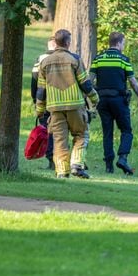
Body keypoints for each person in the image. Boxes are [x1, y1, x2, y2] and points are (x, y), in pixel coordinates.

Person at [35, 29, 99, 178]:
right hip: (75, 106)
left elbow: (41, 90)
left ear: (55, 42)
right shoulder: (74, 59)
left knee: (59, 140)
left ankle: (62, 172)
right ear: (68, 43)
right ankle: (77, 165)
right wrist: (95, 99)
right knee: (81, 135)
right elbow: (85, 84)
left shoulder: (44, 63)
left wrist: (39, 110)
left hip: (55, 109)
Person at [89, 31, 138, 175]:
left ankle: (109, 166)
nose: (123, 46)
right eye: (123, 43)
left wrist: (89, 98)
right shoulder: (123, 59)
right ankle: (123, 158)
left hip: (102, 100)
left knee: (107, 132)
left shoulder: (98, 58)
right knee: (126, 130)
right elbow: (132, 82)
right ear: (119, 43)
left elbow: (90, 80)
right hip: (119, 100)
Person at [31, 37, 57, 170]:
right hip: (60, 99)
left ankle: (50, 158)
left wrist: (35, 99)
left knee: (46, 129)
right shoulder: (67, 57)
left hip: (44, 98)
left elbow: (34, 79)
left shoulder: (40, 58)